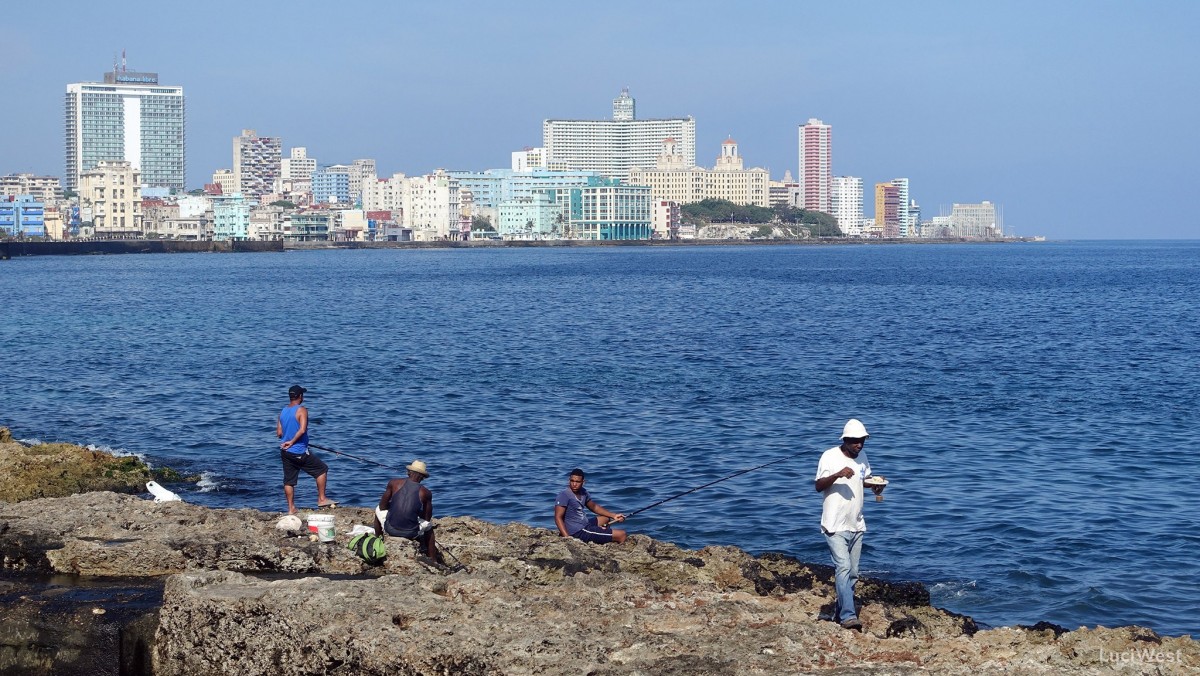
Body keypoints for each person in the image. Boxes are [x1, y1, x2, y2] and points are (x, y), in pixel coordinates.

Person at [814, 418, 885, 631]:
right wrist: (837, 474)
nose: (859, 445)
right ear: (845, 440)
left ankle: (839, 613)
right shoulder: (829, 456)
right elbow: (818, 486)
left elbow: (863, 479)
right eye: (855, 441)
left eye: (862, 441)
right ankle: (848, 616)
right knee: (843, 567)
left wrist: (875, 486)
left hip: (856, 523)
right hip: (834, 524)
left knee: (853, 572)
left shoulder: (862, 457)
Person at [276, 385, 333, 514]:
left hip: (285, 452)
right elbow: (302, 430)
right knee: (322, 469)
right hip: (298, 451)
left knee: (289, 480)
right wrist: (292, 442)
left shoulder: (283, 411)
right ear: (300, 396)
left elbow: (279, 433)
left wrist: (288, 439)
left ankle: (291, 508)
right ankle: (322, 499)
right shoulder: (302, 410)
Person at [373, 460, 439, 561]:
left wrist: (393, 506)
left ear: (409, 473)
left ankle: (379, 539)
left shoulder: (393, 483)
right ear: (423, 477)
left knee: (377, 509)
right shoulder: (426, 492)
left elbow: (382, 506)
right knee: (429, 528)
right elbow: (426, 518)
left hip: (390, 529)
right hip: (410, 533)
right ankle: (433, 559)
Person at [554, 468, 627, 544]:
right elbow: (558, 518)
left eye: (577, 482)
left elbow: (594, 507)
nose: (574, 484)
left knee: (605, 519)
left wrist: (614, 516)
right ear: (569, 480)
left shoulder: (583, 492)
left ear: (583, 482)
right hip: (577, 532)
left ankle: (601, 537)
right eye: (572, 481)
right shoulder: (564, 495)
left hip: (585, 524)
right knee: (622, 534)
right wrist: (567, 538)